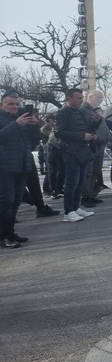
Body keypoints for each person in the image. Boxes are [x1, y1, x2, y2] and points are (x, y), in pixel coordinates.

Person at [0, 90, 40, 247]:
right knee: (6, 202)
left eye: (17, 104)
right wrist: (16, 125)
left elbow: (35, 141)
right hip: (4, 167)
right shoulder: (12, 121)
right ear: (2, 104)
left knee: (16, 202)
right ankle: (5, 236)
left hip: (21, 165)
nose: (14, 107)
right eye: (10, 104)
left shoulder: (19, 119)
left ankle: (10, 232)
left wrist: (34, 126)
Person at [53, 88, 98, 221]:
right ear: (69, 99)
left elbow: (87, 128)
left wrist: (95, 123)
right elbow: (59, 132)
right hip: (70, 151)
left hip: (83, 150)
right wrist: (82, 136)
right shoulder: (61, 113)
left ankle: (76, 206)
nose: (81, 100)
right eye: (78, 98)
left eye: (82, 97)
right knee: (72, 182)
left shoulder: (80, 111)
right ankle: (68, 212)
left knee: (80, 181)